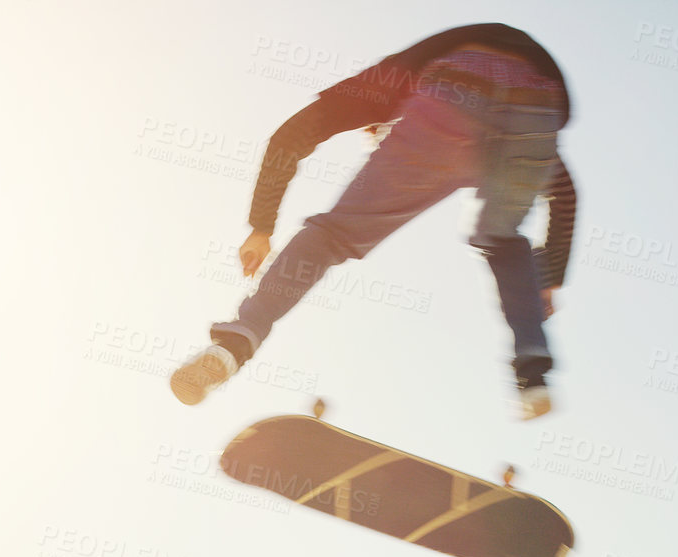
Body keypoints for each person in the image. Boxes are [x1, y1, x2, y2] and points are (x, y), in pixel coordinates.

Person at [170, 23, 576, 419]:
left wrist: (261, 226)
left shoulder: (381, 85)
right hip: (541, 109)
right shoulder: (435, 82)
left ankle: (238, 341)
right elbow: (566, 193)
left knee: (333, 236)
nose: (383, 143)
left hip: (457, 88)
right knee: (502, 239)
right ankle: (533, 371)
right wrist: (549, 275)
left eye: (382, 137)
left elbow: (289, 138)